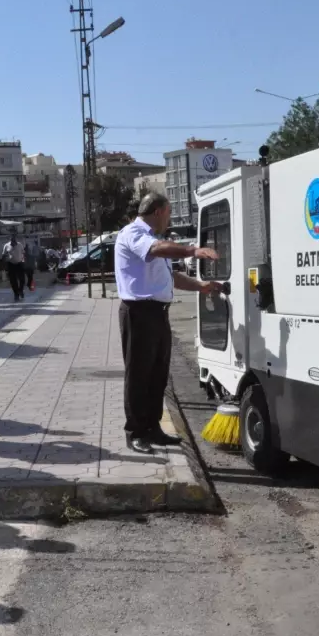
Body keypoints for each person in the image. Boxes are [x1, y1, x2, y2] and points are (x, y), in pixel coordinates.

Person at [115, 192, 220, 454]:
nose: (169, 219)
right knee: (139, 375)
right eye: (169, 213)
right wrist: (193, 250)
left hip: (158, 313)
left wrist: (200, 286)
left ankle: (153, 428)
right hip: (138, 312)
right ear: (159, 211)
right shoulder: (133, 234)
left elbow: (169, 276)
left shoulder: (153, 240)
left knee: (157, 375)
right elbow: (155, 251)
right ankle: (136, 432)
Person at [1, 236, 26, 300]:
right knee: (13, 280)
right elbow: (3, 255)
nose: (14, 244)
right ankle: (16, 294)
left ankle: (20, 290)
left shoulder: (20, 245)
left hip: (19, 263)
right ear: (10, 241)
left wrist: (24, 262)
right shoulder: (6, 246)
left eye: (15, 242)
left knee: (22, 279)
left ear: (16, 241)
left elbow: (23, 253)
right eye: (12, 243)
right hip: (11, 264)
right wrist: (4, 265)